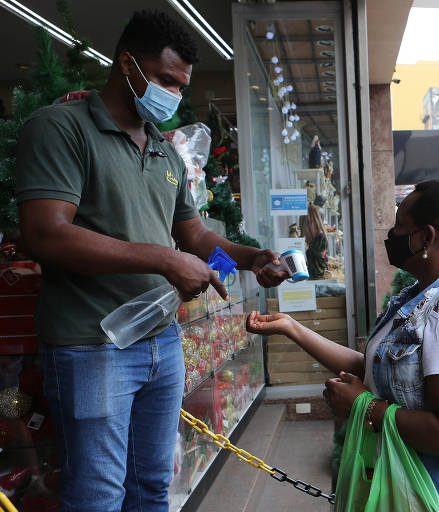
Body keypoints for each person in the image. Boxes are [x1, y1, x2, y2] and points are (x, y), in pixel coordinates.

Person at [14, 12, 289, 511]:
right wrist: (165, 260)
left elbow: (195, 234)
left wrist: (250, 260)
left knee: (152, 488)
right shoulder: (62, 128)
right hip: (90, 345)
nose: (173, 94)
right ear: (126, 65)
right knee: (97, 495)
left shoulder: (165, 154)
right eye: (164, 80)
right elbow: (44, 234)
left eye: (180, 86)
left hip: (161, 342)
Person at [246, 179, 439, 511]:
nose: (391, 236)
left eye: (400, 227)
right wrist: (292, 328)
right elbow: (375, 369)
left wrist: (365, 407)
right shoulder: (419, 297)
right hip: (405, 490)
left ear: (426, 237)